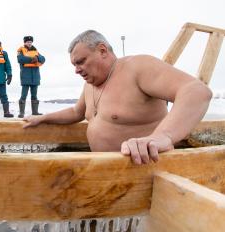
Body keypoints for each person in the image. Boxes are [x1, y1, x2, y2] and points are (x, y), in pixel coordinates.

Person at [23, 30, 212, 165]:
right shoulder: (91, 84)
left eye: (81, 62)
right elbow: (76, 112)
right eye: (74, 64)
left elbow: (196, 91)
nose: (77, 70)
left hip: (145, 172)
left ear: (103, 50)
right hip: (105, 173)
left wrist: (162, 136)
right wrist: (43, 118)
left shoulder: (138, 67)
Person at [17, 36, 46, 118]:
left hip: (35, 77)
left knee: (34, 95)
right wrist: (32, 59)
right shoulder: (20, 50)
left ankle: (35, 112)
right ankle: (21, 112)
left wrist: (37, 57)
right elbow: (20, 59)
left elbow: (43, 59)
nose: (29, 43)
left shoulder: (36, 51)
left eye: (30, 42)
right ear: (24, 42)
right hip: (25, 76)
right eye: (27, 42)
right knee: (23, 95)